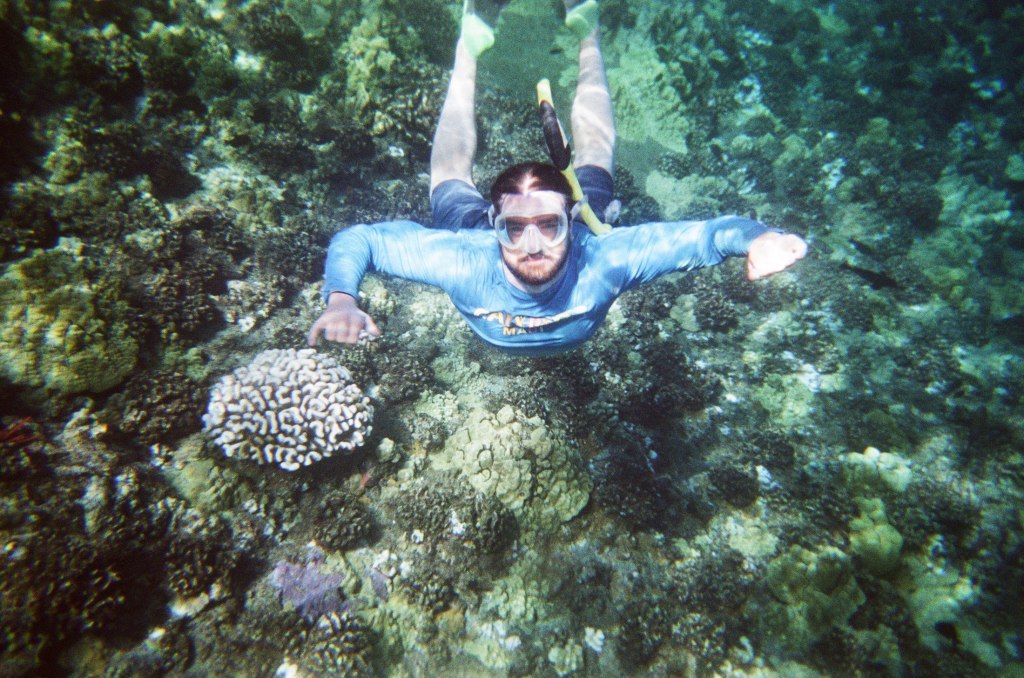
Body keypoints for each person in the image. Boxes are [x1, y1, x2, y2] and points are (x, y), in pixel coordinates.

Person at [308, 0, 807, 356]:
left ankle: (587, 28)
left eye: (549, 225)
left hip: (577, 220)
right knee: (447, 177)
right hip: (474, 230)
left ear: (571, 219)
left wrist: (757, 238)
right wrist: (342, 299)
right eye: (513, 227)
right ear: (492, 223)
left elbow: (707, 236)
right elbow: (361, 241)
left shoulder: (605, 260)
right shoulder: (461, 260)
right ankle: (468, 49)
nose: (531, 244)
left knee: (595, 156)